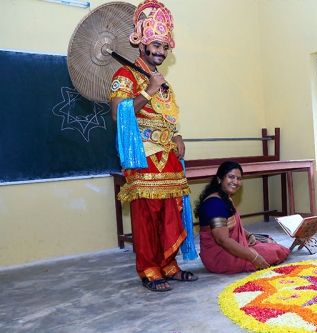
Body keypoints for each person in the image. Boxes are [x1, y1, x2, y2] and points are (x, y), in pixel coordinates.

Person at [109, 0, 197, 292]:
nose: (160, 51)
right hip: (142, 155)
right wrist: (147, 91)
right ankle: (149, 269)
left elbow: (168, 118)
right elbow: (117, 114)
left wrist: (178, 136)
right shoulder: (124, 76)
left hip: (168, 155)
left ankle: (169, 264)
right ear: (142, 44)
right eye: (155, 45)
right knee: (147, 214)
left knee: (171, 210)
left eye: (164, 47)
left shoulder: (160, 80)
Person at [195, 161, 290, 274]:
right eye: (231, 177)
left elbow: (233, 225)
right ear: (220, 179)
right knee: (276, 251)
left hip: (227, 248)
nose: (235, 182)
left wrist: (249, 235)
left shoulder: (224, 198)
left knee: (268, 241)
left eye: (239, 179)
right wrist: (253, 257)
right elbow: (222, 240)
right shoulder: (215, 204)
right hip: (220, 256)